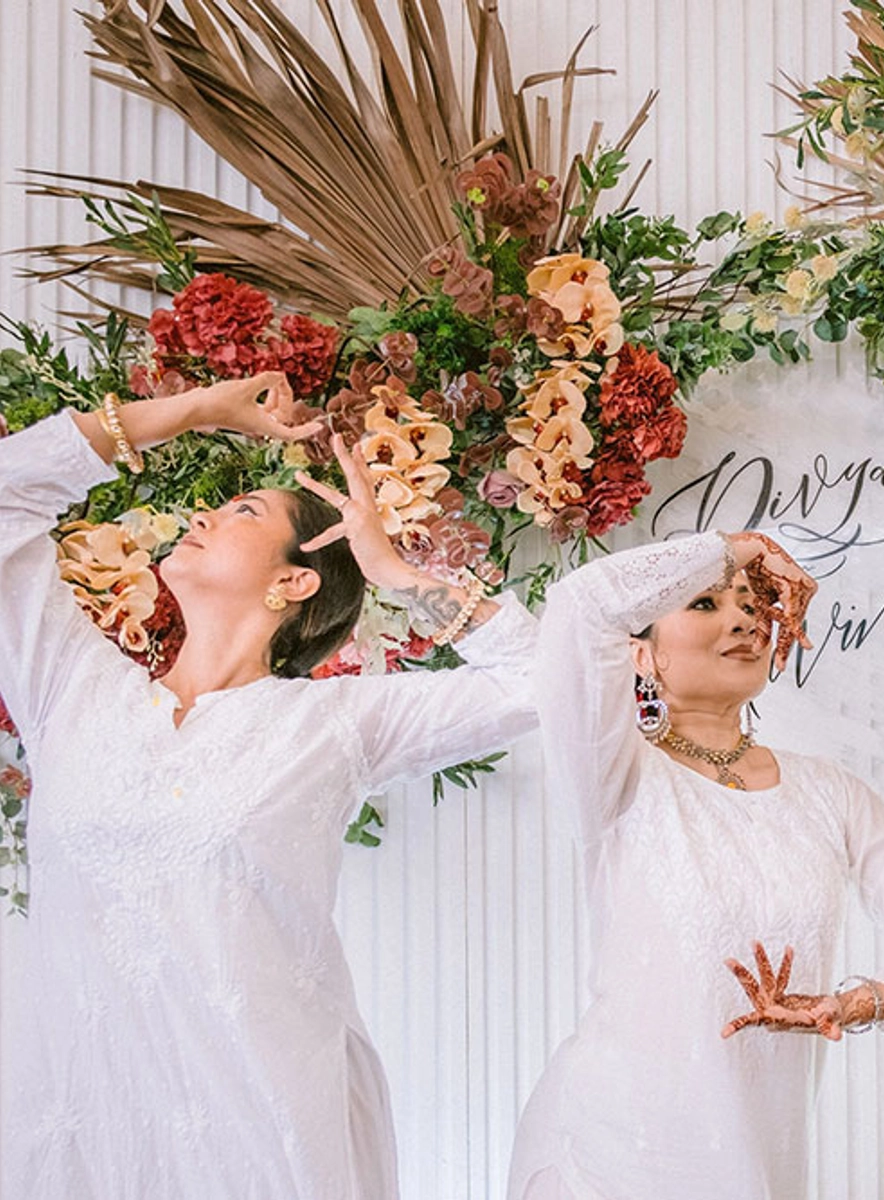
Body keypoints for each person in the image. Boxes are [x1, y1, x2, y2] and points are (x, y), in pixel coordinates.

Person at [0, 372, 538, 1200]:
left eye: (244, 510)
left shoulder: (333, 726)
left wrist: (397, 575)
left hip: (259, 1137)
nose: (204, 514)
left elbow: (543, 681)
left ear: (296, 581)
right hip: (76, 1132)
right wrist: (193, 411)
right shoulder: (67, 685)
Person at [507, 529, 884, 1200]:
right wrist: (743, 549)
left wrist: (855, 1002)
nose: (745, 617)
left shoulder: (830, 792)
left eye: (751, 603)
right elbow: (579, 606)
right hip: (606, 1153)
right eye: (704, 604)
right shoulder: (612, 771)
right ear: (642, 655)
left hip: (758, 1154)